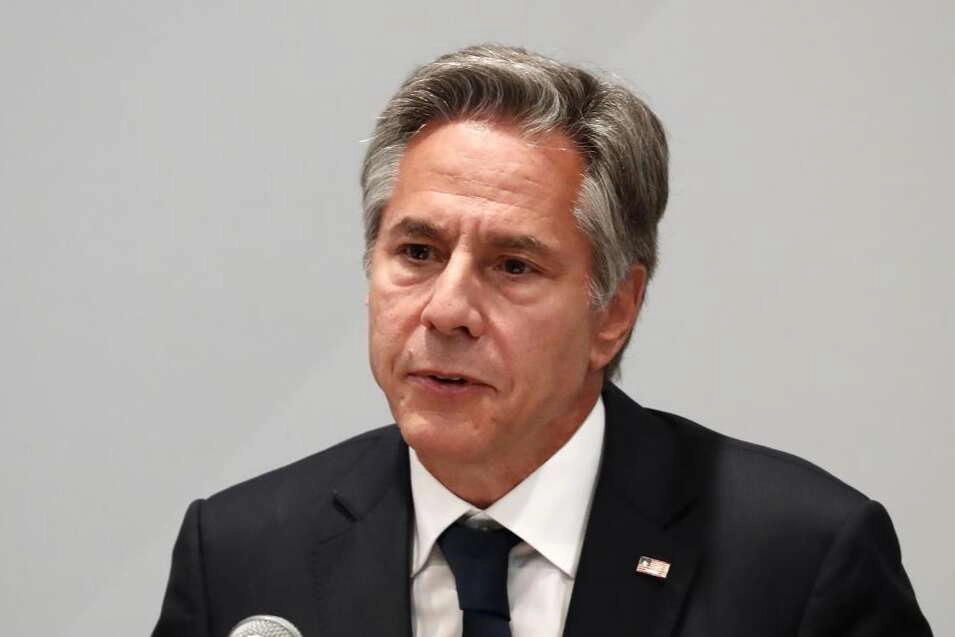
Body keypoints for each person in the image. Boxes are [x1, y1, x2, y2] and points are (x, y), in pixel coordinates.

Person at [152, 45, 932, 637]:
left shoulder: (801, 558)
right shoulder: (241, 553)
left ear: (613, 311)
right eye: (417, 252)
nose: (446, 309)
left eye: (513, 265)